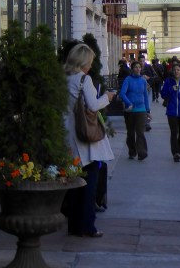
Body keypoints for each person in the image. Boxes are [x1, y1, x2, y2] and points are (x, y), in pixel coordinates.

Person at [63, 42, 115, 238]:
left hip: (69, 134)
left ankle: (74, 225)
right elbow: (93, 105)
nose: (91, 65)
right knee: (89, 184)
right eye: (90, 61)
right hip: (86, 137)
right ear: (83, 61)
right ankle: (87, 226)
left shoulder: (64, 79)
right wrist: (107, 97)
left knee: (74, 185)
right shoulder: (84, 79)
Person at [119, 59, 151, 160]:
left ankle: (142, 152)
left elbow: (145, 96)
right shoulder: (128, 79)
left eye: (139, 67)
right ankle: (132, 151)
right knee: (131, 132)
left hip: (141, 110)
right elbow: (122, 93)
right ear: (132, 69)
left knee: (140, 132)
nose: (138, 69)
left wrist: (148, 110)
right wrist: (129, 103)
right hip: (130, 110)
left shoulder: (143, 80)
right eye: (135, 67)